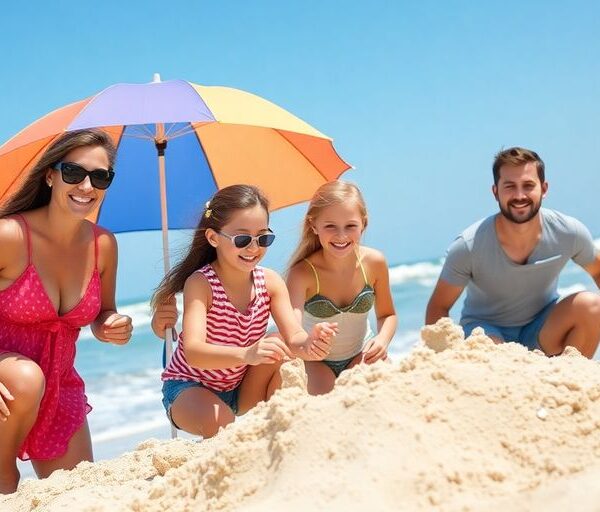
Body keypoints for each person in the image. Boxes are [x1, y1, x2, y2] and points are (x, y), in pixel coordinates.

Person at [0, 129, 133, 494]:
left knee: (78, 494)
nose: (87, 186)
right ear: (50, 175)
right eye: (74, 172)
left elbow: (103, 313)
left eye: (100, 176)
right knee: (26, 380)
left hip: (59, 387)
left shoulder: (102, 245)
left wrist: (111, 325)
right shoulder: (9, 236)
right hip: (7, 383)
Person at [151, 185, 336, 438]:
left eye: (263, 238)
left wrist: (311, 342)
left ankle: (281, 432)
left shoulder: (270, 282)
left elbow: (294, 337)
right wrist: (247, 354)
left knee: (279, 346)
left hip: (240, 390)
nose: (253, 248)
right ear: (213, 238)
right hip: (189, 389)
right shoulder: (201, 283)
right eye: (242, 239)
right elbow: (194, 352)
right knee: (223, 423)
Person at [426, 147, 600, 358]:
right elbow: (438, 307)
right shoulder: (469, 246)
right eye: (510, 186)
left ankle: (571, 380)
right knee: (495, 351)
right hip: (487, 331)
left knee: (592, 306)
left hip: (543, 328)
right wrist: (445, 356)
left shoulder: (568, 232)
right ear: (495, 191)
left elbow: (597, 270)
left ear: (544, 189)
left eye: (528, 186)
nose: (519, 196)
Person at [286, 181, 397, 395]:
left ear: (363, 224)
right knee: (327, 405)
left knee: (382, 399)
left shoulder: (374, 262)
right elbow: (292, 331)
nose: (341, 235)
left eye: (350, 226)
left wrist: (382, 340)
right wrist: (309, 340)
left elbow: (388, 314)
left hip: (361, 354)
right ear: (313, 225)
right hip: (316, 361)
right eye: (330, 226)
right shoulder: (302, 273)